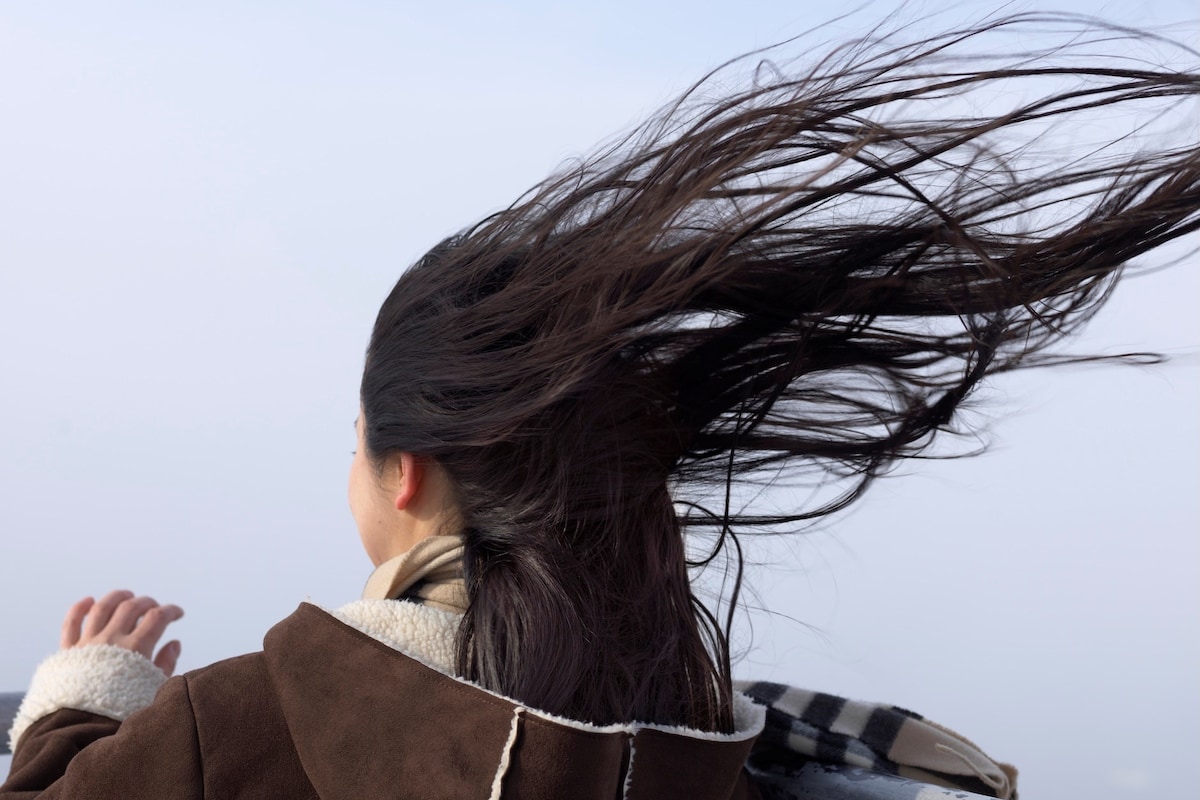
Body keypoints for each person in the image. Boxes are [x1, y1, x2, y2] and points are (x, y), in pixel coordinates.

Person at [3, 13, 1197, 800]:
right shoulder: (702, 743)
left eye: (355, 441)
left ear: (406, 470)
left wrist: (87, 697)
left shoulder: (246, 722)